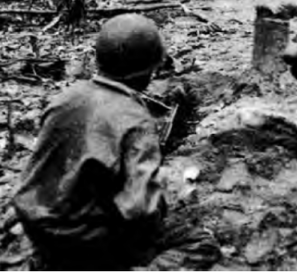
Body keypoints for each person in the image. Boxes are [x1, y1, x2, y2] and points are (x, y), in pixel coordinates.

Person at [12, 14, 221, 271]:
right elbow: (140, 210)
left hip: (39, 229)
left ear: (98, 59)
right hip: (86, 243)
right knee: (200, 242)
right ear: (152, 68)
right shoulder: (136, 120)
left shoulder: (64, 98)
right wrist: (166, 187)